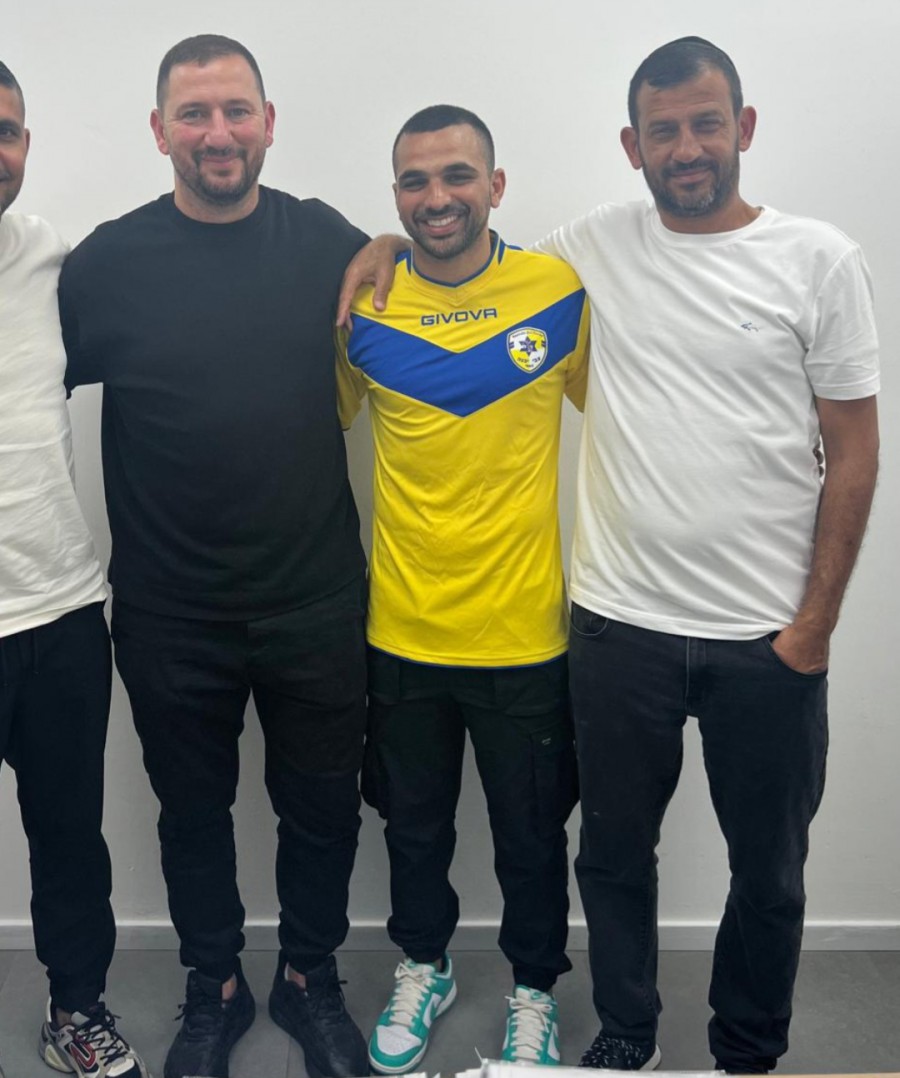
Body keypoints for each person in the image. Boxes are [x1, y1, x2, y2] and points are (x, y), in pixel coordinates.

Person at [337, 36, 880, 1076]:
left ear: (743, 128)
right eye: (663, 130)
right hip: (589, 626)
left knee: (760, 869)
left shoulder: (795, 259)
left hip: (728, 634)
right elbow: (444, 250)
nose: (687, 147)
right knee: (586, 852)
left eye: (706, 123)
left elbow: (855, 451)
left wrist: (816, 625)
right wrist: (381, 243)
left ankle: (717, 1043)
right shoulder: (558, 261)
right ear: (632, 146)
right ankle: (603, 1026)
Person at [60, 35, 371, 1078]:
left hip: (315, 599)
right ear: (160, 132)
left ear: (269, 122)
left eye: (237, 110)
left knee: (321, 812)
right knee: (191, 816)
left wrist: (393, 246)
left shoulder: (328, 241)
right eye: (193, 114)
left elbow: (414, 277)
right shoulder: (105, 265)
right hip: (169, 611)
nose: (218, 133)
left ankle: (309, 977)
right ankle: (216, 985)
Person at [336, 105, 589, 1074]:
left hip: (526, 634)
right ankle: (424, 964)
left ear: (496, 184)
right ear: (396, 196)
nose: (436, 197)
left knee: (532, 837)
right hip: (401, 630)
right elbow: (306, 425)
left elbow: (635, 415)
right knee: (413, 829)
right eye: (415, 181)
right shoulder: (365, 304)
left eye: (457, 176)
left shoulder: (557, 293)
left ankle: (534, 991)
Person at [0, 60, 148, 1078]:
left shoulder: (56, 263)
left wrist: (382, 247)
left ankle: (77, 1011)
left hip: (57, 612)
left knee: (69, 840)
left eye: (5, 130)